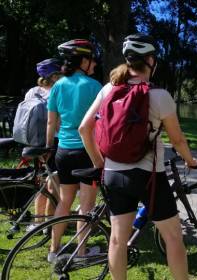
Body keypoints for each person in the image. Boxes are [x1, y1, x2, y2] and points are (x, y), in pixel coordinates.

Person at [79, 33, 197, 280]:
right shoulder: (160, 95)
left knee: (116, 240)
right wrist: (189, 160)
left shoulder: (108, 89)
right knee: (173, 237)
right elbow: (177, 140)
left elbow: (84, 128)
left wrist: (100, 164)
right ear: (150, 60)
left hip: (112, 175)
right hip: (148, 177)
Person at [46, 39, 102, 262]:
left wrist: (49, 147)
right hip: (87, 152)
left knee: (64, 201)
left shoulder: (58, 85)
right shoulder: (94, 86)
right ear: (83, 60)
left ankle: (53, 250)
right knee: (86, 205)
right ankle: (81, 252)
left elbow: (51, 123)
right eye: (92, 59)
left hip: (63, 151)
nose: (95, 64)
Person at [25, 58, 62, 232]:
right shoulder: (57, 91)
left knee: (41, 182)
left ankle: (37, 221)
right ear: (54, 75)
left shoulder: (32, 91)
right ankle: (49, 223)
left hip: (34, 142)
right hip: (53, 141)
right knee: (54, 181)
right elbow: (58, 121)